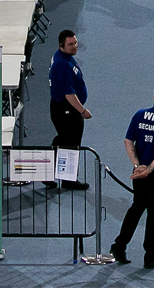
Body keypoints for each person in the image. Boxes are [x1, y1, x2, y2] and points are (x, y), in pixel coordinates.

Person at [111, 83, 154, 268]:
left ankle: (119, 245)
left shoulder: (139, 115)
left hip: (138, 173)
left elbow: (128, 141)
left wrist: (137, 166)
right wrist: (150, 169)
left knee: (137, 207)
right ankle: (151, 256)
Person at [48, 30, 92, 190]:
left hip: (63, 108)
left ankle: (48, 174)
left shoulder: (63, 57)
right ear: (61, 45)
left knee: (62, 140)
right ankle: (68, 180)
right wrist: (82, 111)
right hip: (66, 110)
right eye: (70, 44)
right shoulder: (62, 65)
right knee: (71, 143)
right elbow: (69, 94)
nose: (75, 47)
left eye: (75, 43)